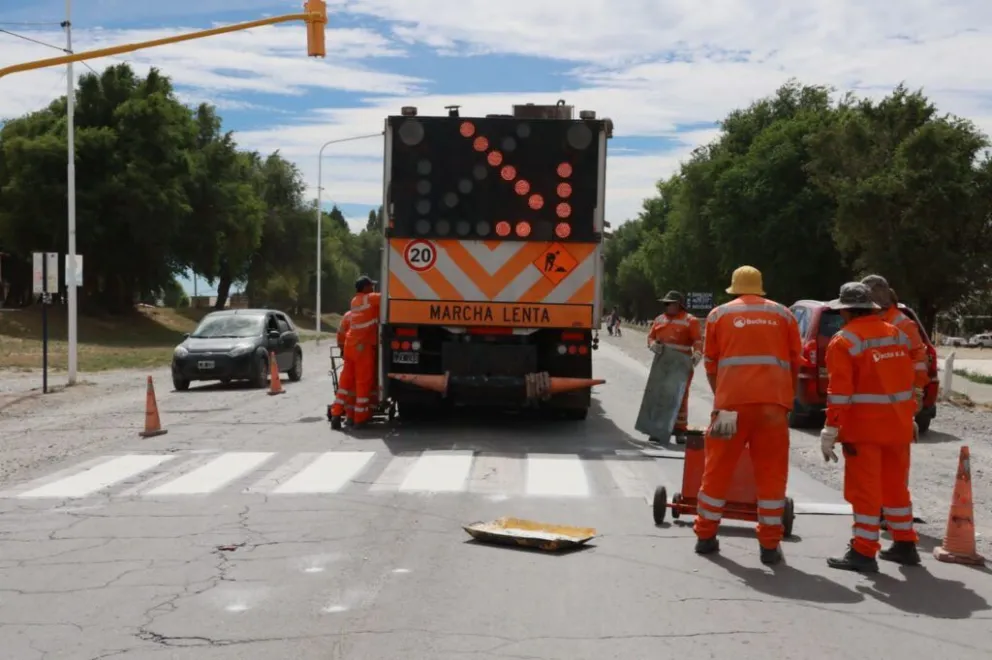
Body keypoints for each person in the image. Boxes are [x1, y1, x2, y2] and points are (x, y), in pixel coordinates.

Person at [694, 265, 802, 565]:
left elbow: (711, 363)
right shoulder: (784, 315)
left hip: (730, 407)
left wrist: (721, 397)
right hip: (773, 408)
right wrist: (785, 400)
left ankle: (705, 536)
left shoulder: (718, 315)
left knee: (717, 470)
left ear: (734, 288)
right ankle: (769, 545)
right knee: (771, 475)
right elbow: (796, 362)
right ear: (760, 287)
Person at [820, 282, 920, 573]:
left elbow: (840, 393)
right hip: (898, 426)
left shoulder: (844, 341)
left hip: (864, 431)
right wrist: (911, 415)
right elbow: (908, 380)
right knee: (895, 488)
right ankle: (905, 544)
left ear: (846, 311)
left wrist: (830, 428)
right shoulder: (897, 335)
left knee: (865, 491)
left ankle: (863, 552)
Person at [860, 275, 929, 412]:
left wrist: (917, 391)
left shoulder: (903, 324)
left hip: (895, 398)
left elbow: (919, 360)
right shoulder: (869, 321)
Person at [647, 291, 702, 435]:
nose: (666, 306)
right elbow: (651, 337)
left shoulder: (691, 320)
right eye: (665, 303)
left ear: (678, 305)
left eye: (669, 303)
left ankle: (679, 429)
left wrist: (697, 354)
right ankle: (658, 429)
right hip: (662, 363)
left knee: (680, 396)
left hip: (681, 364)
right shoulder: (659, 319)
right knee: (660, 395)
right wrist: (652, 344)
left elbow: (697, 340)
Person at [332, 276, 381, 429]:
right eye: (371, 286)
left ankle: (336, 415)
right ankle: (360, 419)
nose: (373, 288)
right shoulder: (370, 298)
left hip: (350, 345)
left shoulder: (355, 301)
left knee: (345, 382)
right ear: (365, 288)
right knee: (362, 382)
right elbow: (387, 298)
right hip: (362, 347)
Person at [330, 311, 355, 425]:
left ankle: (340, 413)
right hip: (365, 354)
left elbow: (340, 335)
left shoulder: (347, 316)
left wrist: (342, 349)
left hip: (349, 353)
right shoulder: (371, 314)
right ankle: (358, 415)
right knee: (362, 384)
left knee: (345, 384)